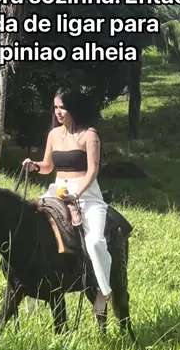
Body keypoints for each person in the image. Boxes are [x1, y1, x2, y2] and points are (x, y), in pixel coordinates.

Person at [22, 88, 112, 311]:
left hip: (87, 194)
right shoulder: (54, 134)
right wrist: (34, 166)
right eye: (55, 107)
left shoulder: (90, 135)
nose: (58, 112)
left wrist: (77, 194)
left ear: (73, 108)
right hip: (57, 190)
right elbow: (47, 166)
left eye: (62, 107)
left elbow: (92, 171)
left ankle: (103, 290)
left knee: (95, 241)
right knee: (31, 228)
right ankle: (31, 285)